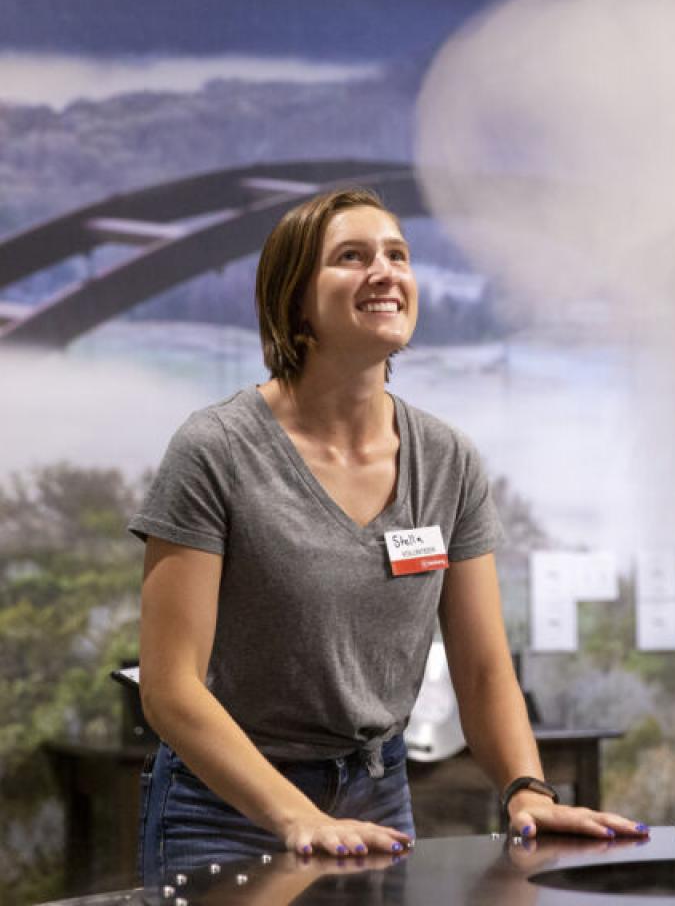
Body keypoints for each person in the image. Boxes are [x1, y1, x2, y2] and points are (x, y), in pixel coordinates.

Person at [130, 187, 644, 885]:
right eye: (352, 256)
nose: (385, 272)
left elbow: (485, 668)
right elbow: (169, 689)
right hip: (225, 804)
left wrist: (527, 788)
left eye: (397, 255)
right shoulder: (215, 450)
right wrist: (294, 816)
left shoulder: (447, 458)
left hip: (376, 794)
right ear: (295, 299)